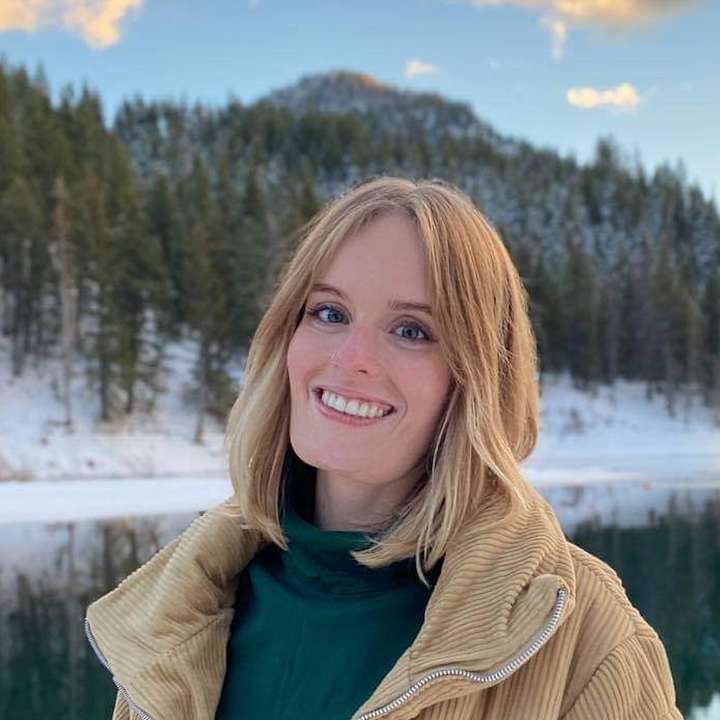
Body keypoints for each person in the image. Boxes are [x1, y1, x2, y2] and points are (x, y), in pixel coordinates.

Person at [84, 176, 683, 720]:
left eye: (411, 330)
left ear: (474, 378)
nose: (350, 359)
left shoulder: (586, 639)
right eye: (328, 312)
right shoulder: (181, 608)